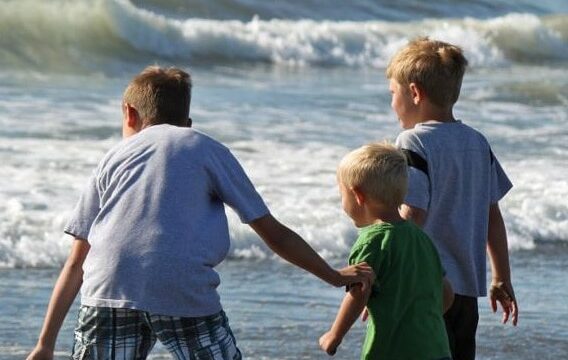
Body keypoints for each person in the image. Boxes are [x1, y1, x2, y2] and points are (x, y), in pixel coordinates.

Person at [27, 66, 374, 360]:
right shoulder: (205, 148)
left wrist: (45, 344)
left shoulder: (112, 158)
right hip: (180, 286)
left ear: (129, 114)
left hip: (108, 287)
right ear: (187, 123)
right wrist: (332, 275)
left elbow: (76, 261)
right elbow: (274, 233)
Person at [387, 37, 519, 360]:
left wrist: (385, 273)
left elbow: (412, 215)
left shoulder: (413, 141)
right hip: (465, 295)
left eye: (393, 94)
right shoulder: (477, 142)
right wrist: (501, 276)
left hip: (424, 289)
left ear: (414, 92)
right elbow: (492, 217)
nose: (392, 104)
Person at [319, 142, 453, 359]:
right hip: (436, 349)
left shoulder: (372, 241)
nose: (342, 202)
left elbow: (359, 292)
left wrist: (334, 335)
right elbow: (446, 292)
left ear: (358, 196)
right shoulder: (421, 238)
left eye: (341, 194)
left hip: (393, 351)